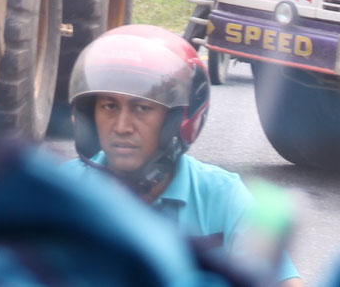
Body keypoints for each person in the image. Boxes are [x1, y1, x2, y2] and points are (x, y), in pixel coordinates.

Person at [67, 26, 302, 287]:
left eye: (142, 108)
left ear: (178, 120)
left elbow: (284, 282)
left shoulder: (222, 197)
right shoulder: (60, 191)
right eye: (109, 106)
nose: (122, 126)